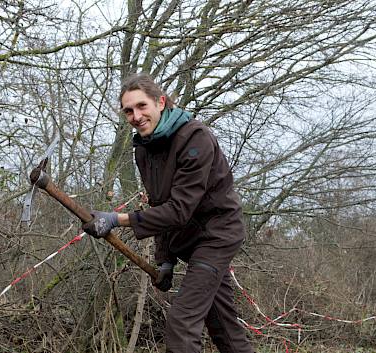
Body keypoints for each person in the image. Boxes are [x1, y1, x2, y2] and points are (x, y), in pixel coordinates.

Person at [82, 73, 254, 353]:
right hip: (189, 240)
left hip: (217, 236)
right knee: (223, 325)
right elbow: (159, 204)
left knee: (182, 320)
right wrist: (165, 261)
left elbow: (179, 210)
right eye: (128, 111)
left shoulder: (195, 138)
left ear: (160, 102)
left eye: (141, 106)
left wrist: (116, 219)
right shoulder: (144, 150)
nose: (136, 116)